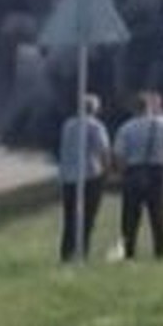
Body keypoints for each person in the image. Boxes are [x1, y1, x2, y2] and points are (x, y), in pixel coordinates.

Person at [112, 90, 163, 260]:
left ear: (134, 109)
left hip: (134, 172)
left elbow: (119, 155)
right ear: (149, 107)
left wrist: (123, 173)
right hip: (157, 172)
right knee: (158, 214)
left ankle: (129, 252)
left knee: (130, 217)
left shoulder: (126, 128)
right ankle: (162, 252)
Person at [56, 93, 111, 261]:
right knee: (87, 217)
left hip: (68, 176)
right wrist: (108, 171)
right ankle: (82, 252)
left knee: (70, 217)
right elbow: (104, 151)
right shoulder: (95, 126)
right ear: (94, 109)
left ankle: (66, 253)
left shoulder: (68, 125)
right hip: (90, 175)